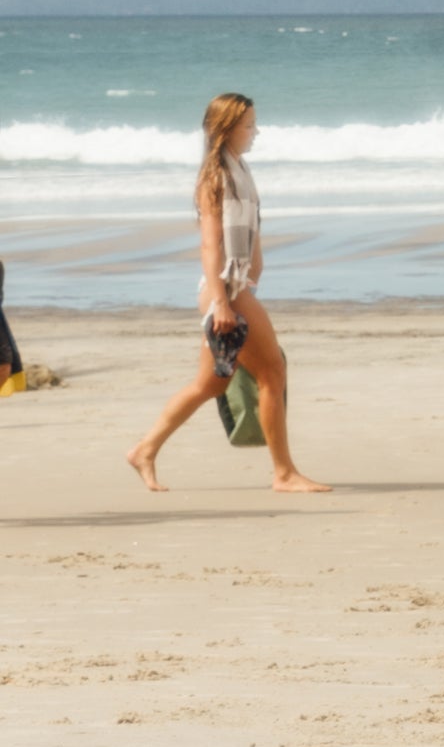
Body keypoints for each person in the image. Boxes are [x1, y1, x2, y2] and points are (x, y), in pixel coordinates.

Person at [126, 93, 329, 493]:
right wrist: (221, 300)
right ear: (228, 128)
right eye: (250, 124)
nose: (256, 132)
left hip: (235, 287)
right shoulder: (215, 176)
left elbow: (250, 231)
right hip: (226, 291)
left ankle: (144, 450)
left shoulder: (239, 169)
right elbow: (210, 245)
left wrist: (252, 273)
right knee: (272, 372)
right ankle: (284, 473)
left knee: (211, 384)